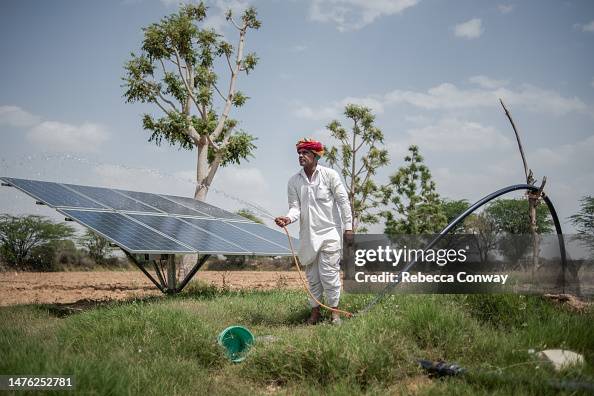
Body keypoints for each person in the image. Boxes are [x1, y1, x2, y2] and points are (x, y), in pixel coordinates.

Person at [275, 138, 353, 325]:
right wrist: (288, 218)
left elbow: (343, 202)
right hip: (308, 236)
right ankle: (315, 314)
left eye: (305, 153)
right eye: (299, 154)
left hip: (330, 234)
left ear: (316, 156)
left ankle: (335, 314)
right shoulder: (294, 181)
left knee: (329, 275)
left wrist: (348, 227)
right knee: (313, 278)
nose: (301, 156)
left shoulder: (330, 175)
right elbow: (295, 208)